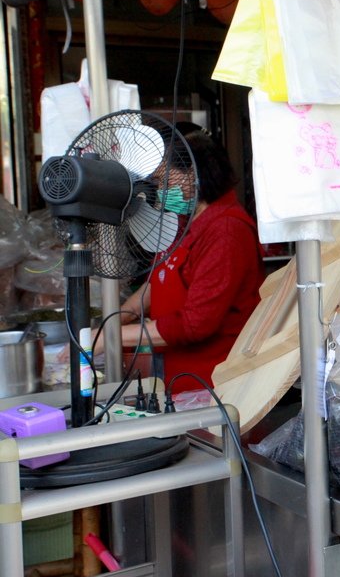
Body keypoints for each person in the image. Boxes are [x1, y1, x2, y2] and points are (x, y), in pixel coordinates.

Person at [94, 125, 264, 394]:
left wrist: (109, 337)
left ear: (193, 174)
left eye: (164, 181)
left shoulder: (226, 231)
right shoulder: (182, 222)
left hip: (214, 383)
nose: (159, 191)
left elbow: (194, 324)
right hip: (178, 373)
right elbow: (159, 281)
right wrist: (119, 319)